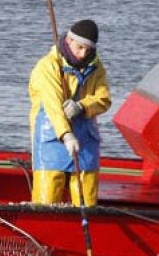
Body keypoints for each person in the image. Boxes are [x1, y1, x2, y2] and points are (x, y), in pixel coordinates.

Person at [29, 20, 111, 207]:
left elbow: (103, 98)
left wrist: (82, 106)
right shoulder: (48, 66)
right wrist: (66, 135)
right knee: (46, 201)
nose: (83, 54)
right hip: (51, 139)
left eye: (88, 50)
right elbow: (52, 106)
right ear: (69, 40)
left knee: (87, 202)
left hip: (86, 140)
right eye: (79, 48)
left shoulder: (96, 67)